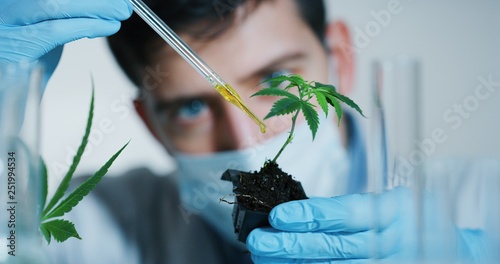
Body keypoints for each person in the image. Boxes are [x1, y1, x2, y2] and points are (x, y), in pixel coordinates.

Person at [1, 0, 494, 263]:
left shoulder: (479, 202)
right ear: (152, 124)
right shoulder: (98, 229)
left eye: (277, 81)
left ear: (340, 63)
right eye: (192, 107)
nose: (246, 141)